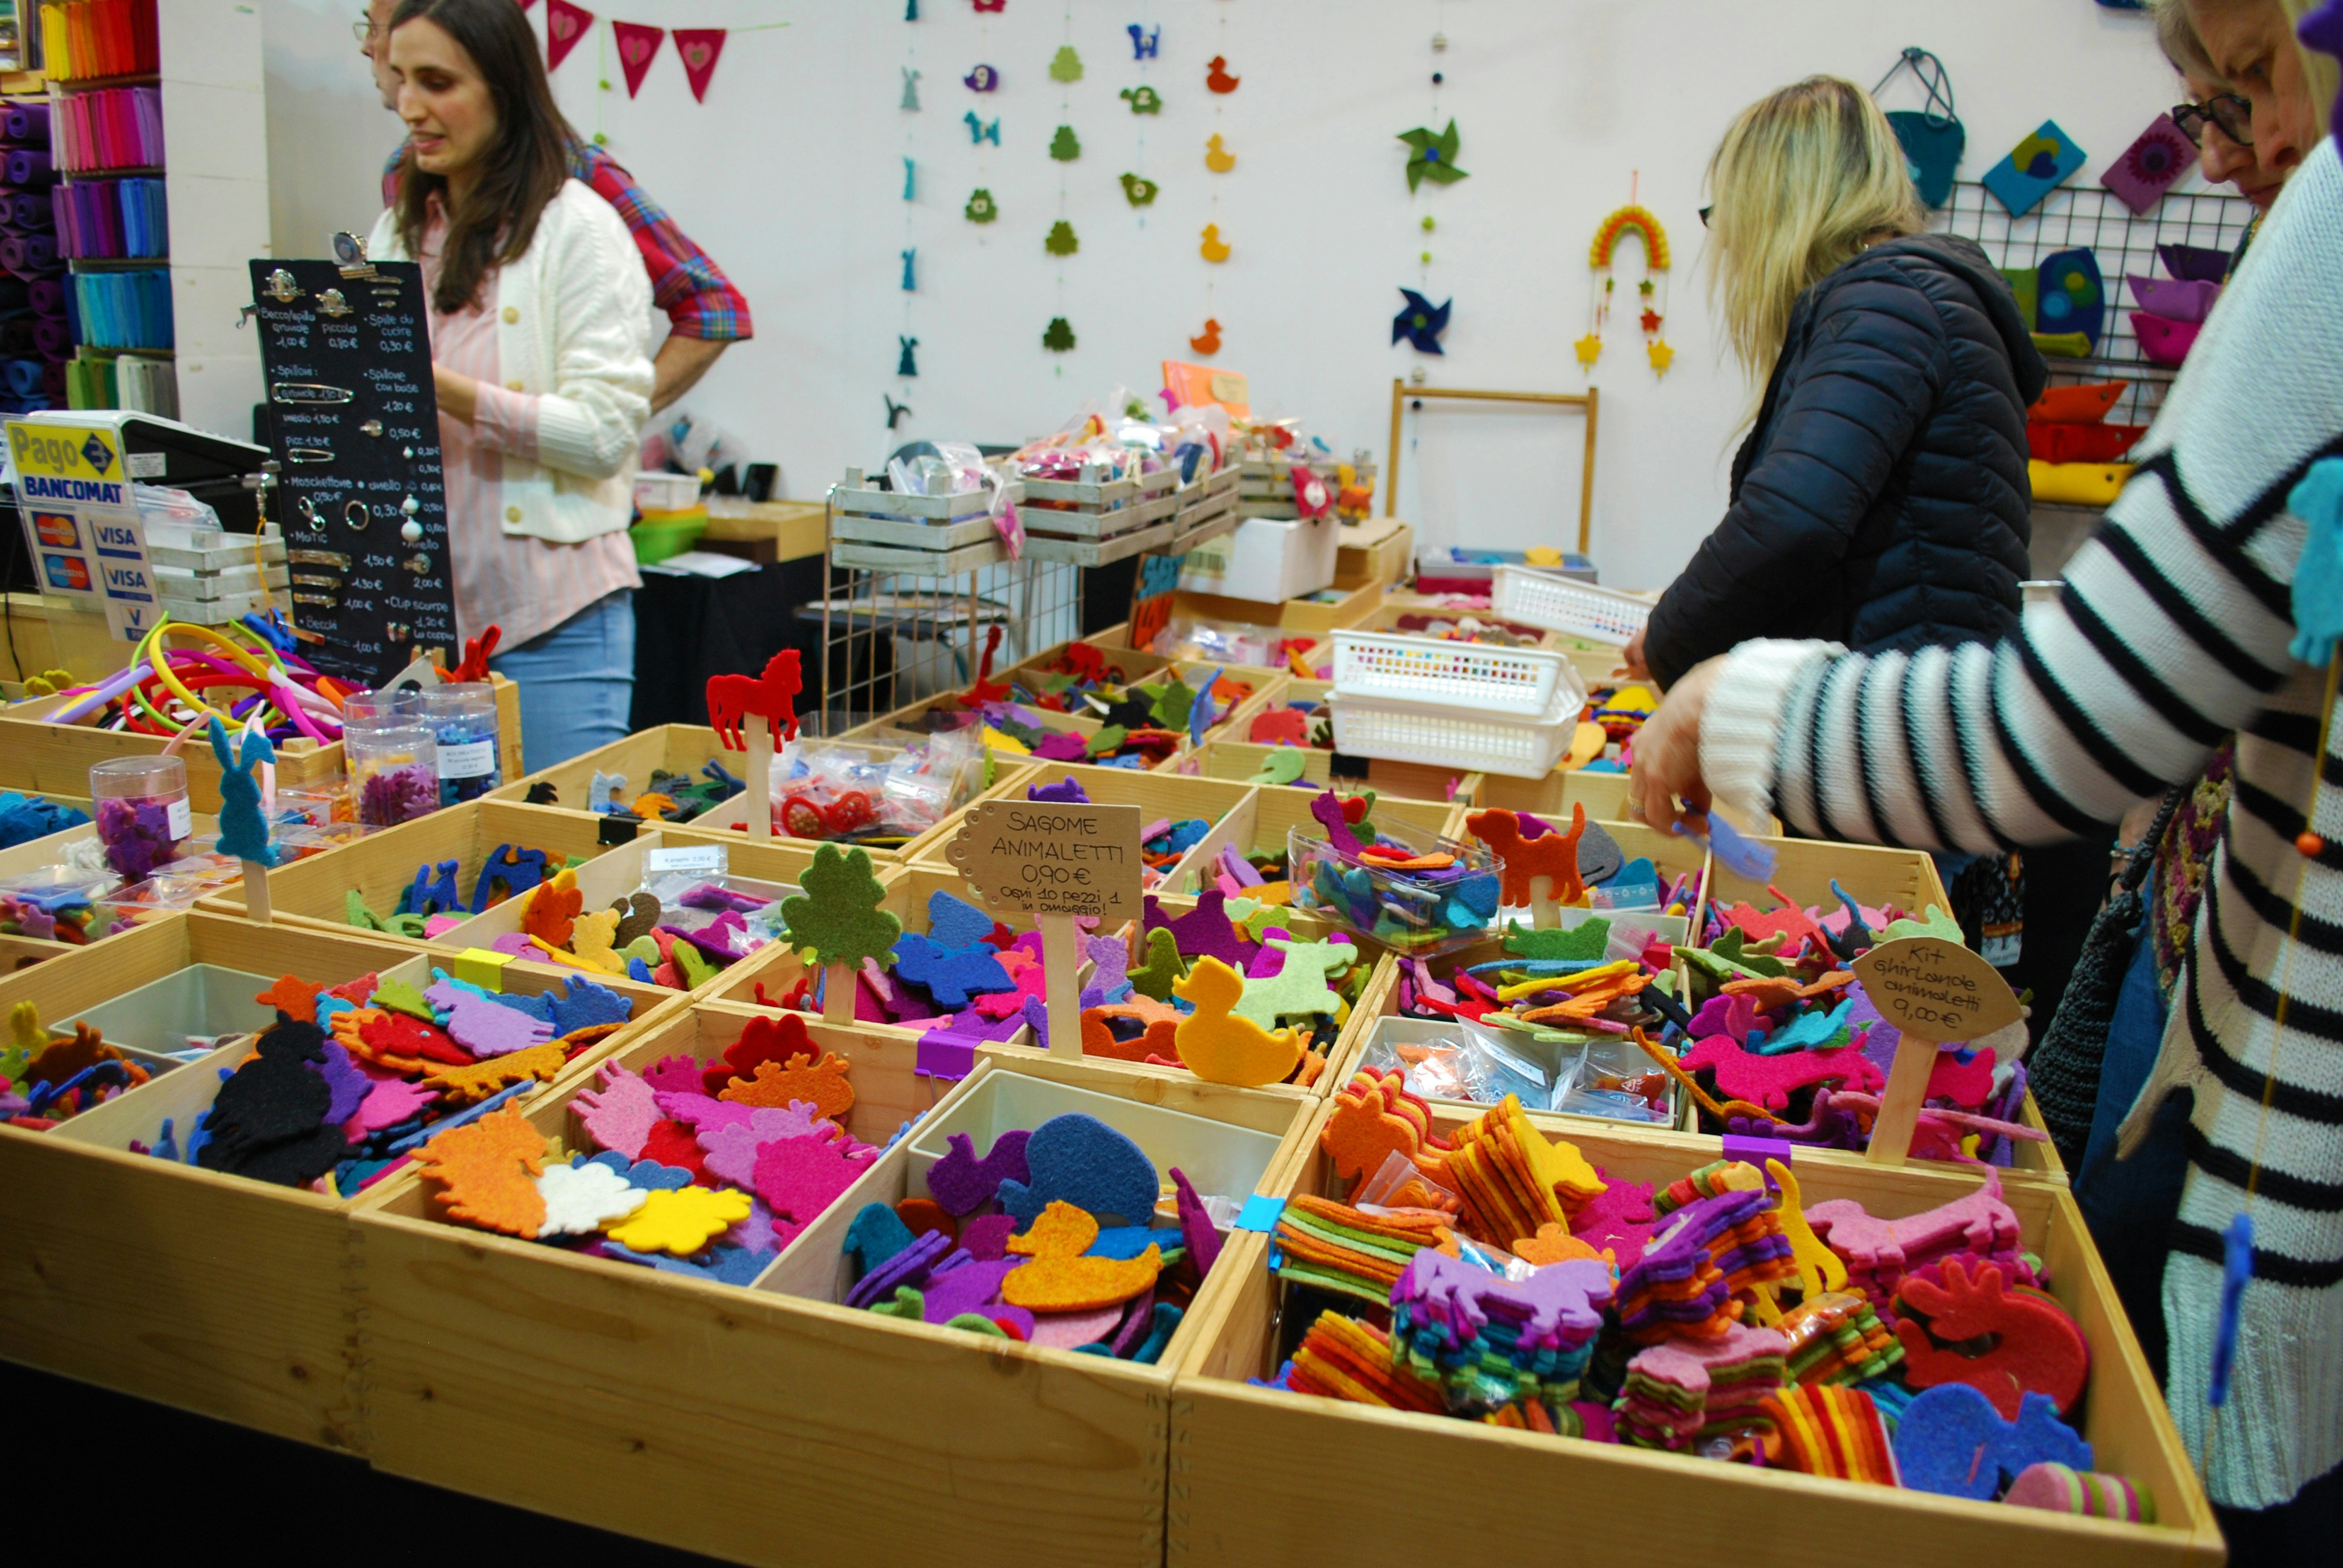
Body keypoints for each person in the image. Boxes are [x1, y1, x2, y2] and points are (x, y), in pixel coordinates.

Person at [1629, 0, 2343, 1552]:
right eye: (2213, 107)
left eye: (2257, 85)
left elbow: (1835, 550)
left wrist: (1690, 684)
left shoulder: (1885, 298)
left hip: (2239, 1089)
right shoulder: (1928, 293)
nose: (2256, 147)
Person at [1619, 77, 2100, 1034]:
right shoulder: (1917, 299)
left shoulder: (1885, 299)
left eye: (1725, 213)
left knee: (1882, 1038)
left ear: (1773, 202)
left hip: (1893, 759)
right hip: (1912, 742)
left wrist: (1672, 651)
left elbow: (1792, 520)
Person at [367, 0, 654, 771]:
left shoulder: (577, 231)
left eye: (437, 81)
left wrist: (437, 389)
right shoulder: (396, 236)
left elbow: (601, 438)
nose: (410, 106)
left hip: (550, 623)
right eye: (400, 79)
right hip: (422, 632)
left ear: (505, 87)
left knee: (560, 859)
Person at [358, 0, 749, 412]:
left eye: (374, 28)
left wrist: (614, 419)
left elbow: (714, 308)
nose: (367, 48)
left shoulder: (568, 172)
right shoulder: (404, 175)